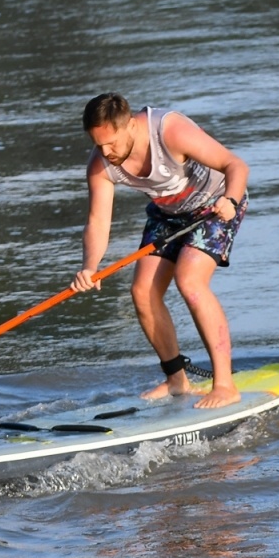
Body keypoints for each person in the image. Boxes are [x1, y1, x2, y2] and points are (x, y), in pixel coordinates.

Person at [70, 93, 248, 409]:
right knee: (141, 291)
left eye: (110, 143)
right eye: (98, 145)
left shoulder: (170, 130)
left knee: (189, 280)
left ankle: (224, 384)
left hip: (215, 207)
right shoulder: (100, 164)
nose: (105, 152)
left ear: (130, 126)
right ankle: (177, 380)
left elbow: (235, 164)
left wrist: (231, 201)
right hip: (168, 215)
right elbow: (98, 221)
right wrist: (90, 266)